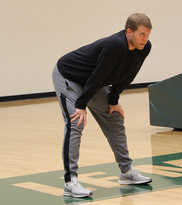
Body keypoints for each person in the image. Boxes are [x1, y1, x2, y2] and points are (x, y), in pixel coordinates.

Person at [52, 13, 152, 198]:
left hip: (93, 82)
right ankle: (70, 181)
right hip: (69, 76)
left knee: (114, 117)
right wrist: (80, 104)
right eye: (142, 34)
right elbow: (99, 74)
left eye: (148, 35)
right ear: (129, 32)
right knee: (75, 122)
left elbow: (128, 75)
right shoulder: (116, 45)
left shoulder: (144, 48)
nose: (145, 39)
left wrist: (113, 100)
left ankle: (126, 172)